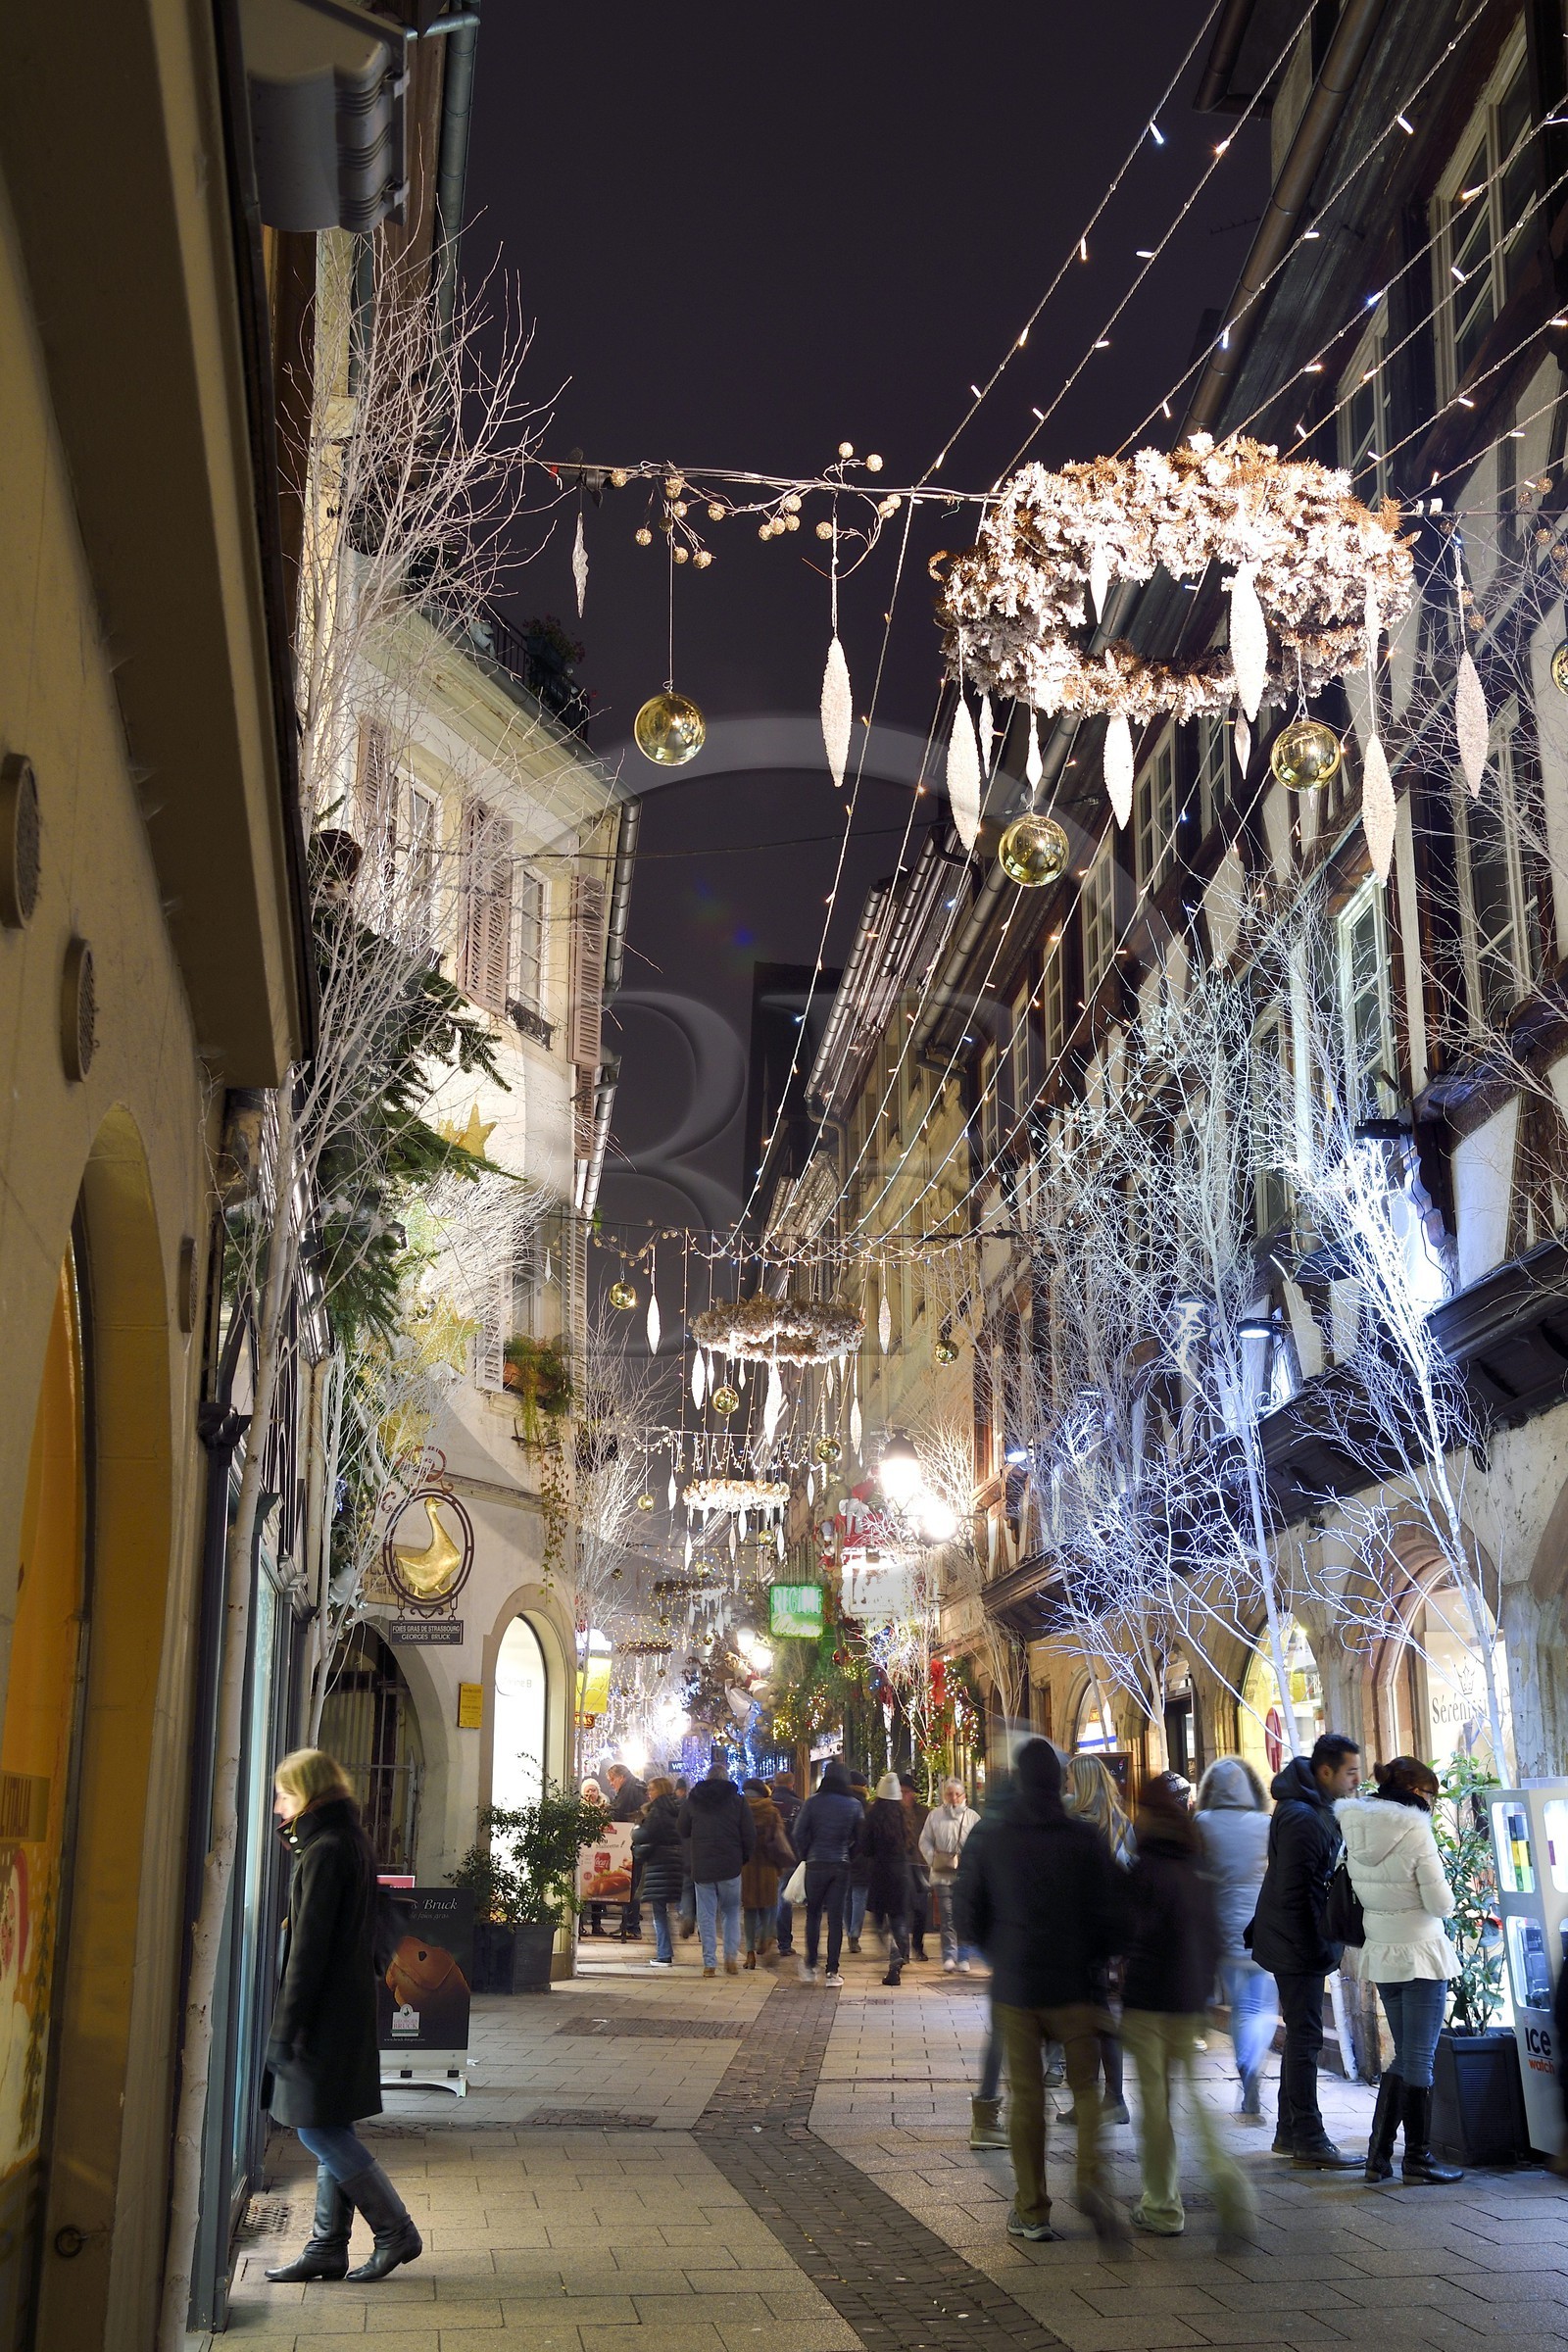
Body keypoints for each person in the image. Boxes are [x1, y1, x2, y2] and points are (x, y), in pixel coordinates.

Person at [954, 1738, 1130, 2247]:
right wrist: (1094, 1956)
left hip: (1018, 1988)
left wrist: (1001, 1951)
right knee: (1086, 2091)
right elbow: (1115, 1913)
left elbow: (967, 1912)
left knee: (1027, 2099)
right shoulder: (1083, 1838)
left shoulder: (996, 1837)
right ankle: (1091, 2180)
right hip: (1076, 1987)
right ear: (1059, 1782)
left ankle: (1032, 2210)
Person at [262, 1749, 421, 2285]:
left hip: (324, 2013)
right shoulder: (344, 1839)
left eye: (285, 1794)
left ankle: (396, 2230)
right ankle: (326, 2246)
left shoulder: (325, 1850)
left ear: (306, 1793)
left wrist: (286, 2029)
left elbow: (308, 1951)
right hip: (346, 2005)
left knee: (315, 2128)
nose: (278, 1806)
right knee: (330, 2123)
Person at [1120, 1772, 1256, 2242]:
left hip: (1147, 2001)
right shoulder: (1197, 1861)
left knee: (1155, 2109)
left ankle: (1162, 2206)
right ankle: (1227, 2178)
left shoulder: (1145, 1867)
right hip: (1188, 1998)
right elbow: (1214, 1932)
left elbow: (1127, 1932)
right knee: (1197, 2103)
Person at [1338, 1756, 1463, 2185]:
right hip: (1421, 1953)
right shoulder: (1415, 1830)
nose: (1431, 1803)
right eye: (1430, 1795)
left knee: (1406, 2053)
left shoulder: (1355, 1825)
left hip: (1382, 1951)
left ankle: (1379, 2157)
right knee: (1420, 2058)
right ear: (1415, 1793)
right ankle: (1418, 2158)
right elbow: (1441, 1904)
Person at [1247, 1731, 1362, 2168]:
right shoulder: (1301, 1816)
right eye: (1350, 1772)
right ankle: (1309, 2138)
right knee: (1306, 2038)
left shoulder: (1307, 1807)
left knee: (1301, 2035)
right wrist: (1317, 1945)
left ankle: (1289, 2132)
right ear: (1326, 1771)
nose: (1355, 1780)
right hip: (1296, 1943)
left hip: (1294, 1939)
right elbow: (1297, 1892)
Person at [1196, 1756, 1276, 2123]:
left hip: (1223, 1927)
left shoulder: (1203, 1823)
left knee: (1241, 2007)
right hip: (1264, 1928)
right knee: (1262, 2007)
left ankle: (1247, 2070)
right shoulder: (1265, 1825)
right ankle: (1251, 2062)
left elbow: (1198, 1875)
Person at [1059, 1755, 1133, 2129]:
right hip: (1107, 1932)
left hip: (1076, 1931)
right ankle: (1113, 2097)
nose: (1067, 1784)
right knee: (1101, 2011)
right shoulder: (1120, 1822)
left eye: (1071, 1778)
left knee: (1080, 2017)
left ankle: (1092, 2099)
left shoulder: (1076, 1823)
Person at [677, 1757, 756, 1976]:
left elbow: (682, 1828)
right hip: (730, 1864)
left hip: (703, 1865)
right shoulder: (738, 1801)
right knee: (731, 1913)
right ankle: (730, 1957)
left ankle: (709, 1963)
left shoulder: (693, 1800)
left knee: (706, 1915)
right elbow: (749, 1834)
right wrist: (743, 1858)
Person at [794, 1758, 862, 1984]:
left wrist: (807, 1854)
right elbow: (861, 1839)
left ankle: (811, 1964)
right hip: (840, 1865)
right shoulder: (853, 1805)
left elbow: (798, 1833)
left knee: (813, 1915)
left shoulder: (812, 1802)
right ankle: (832, 1971)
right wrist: (848, 1855)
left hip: (815, 1864)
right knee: (835, 1918)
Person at [859, 1772, 915, 1984]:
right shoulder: (905, 1816)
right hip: (901, 1873)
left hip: (880, 1872)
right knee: (899, 1918)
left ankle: (893, 1952)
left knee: (878, 1919)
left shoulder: (873, 1816)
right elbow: (910, 1846)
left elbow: (866, 1847)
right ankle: (900, 1956)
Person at [920, 1778, 979, 1971]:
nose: (953, 1798)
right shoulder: (935, 1816)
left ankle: (963, 1956)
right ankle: (948, 1954)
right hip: (942, 1873)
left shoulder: (972, 1818)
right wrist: (933, 1858)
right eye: (949, 1794)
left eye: (957, 1794)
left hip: (966, 1875)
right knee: (947, 1915)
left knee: (964, 1915)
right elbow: (925, 1841)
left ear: (964, 1796)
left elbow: (981, 1845)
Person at [741, 1778, 795, 1967]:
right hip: (768, 1866)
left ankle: (749, 1953)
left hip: (746, 1866)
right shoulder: (771, 1812)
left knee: (749, 1911)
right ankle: (766, 1935)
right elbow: (779, 1840)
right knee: (768, 1906)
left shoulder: (740, 1811)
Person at [631, 1776, 684, 1969]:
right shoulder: (678, 1809)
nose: (648, 1793)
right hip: (677, 1860)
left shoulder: (656, 1812)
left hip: (659, 1863)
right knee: (676, 1903)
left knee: (659, 1911)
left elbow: (645, 1835)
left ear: (659, 1791)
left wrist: (636, 1829)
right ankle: (687, 1918)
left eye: (651, 1789)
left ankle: (664, 1954)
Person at [605, 1761, 648, 1941]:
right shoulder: (634, 1786)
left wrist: (604, 1814)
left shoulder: (629, 1789)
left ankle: (631, 1926)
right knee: (631, 1883)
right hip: (636, 1841)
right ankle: (628, 1924)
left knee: (632, 1884)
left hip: (632, 1842)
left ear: (621, 1777)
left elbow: (618, 1812)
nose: (611, 1784)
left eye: (612, 1780)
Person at [900, 1773, 932, 1960]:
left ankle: (917, 1946)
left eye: (907, 1792)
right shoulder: (893, 1812)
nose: (905, 1795)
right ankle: (903, 1949)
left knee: (921, 1909)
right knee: (902, 1908)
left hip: (920, 1865)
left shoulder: (924, 1813)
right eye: (901, 1791)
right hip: (901, 1866)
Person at [770, 1772, 802, 1956]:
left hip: (767, 1858)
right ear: (791, 1784)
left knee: (768, 1898)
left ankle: (764, 1937)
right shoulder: (798, 1805)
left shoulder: (767, 1804)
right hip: (789, 1857)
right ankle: (784, 1943)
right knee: (784, 1899)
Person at [846, 1771, 873, 1951]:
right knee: (859, 1897)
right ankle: (854, 1934)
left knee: (846, 1897)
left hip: (842, 1854)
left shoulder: (840, 1802)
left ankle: (848, 1930)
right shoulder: (866, 1806)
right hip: (862, 1856)